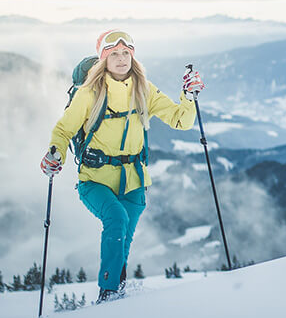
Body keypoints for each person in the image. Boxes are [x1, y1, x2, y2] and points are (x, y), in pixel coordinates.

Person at [40, 30, 205, 303]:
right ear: (104, 58)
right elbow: (63, 129)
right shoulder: (89, 92)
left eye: (126, 53)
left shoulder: (144, 89)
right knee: (116, 220)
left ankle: (118, 294)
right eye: (114, 53)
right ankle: (109, 294)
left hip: (134, 179)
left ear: (132, 55)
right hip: (95, 179)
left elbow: (181, 121)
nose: (121, 59)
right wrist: (55, 155)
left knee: (124, 238)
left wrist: (188, 96)